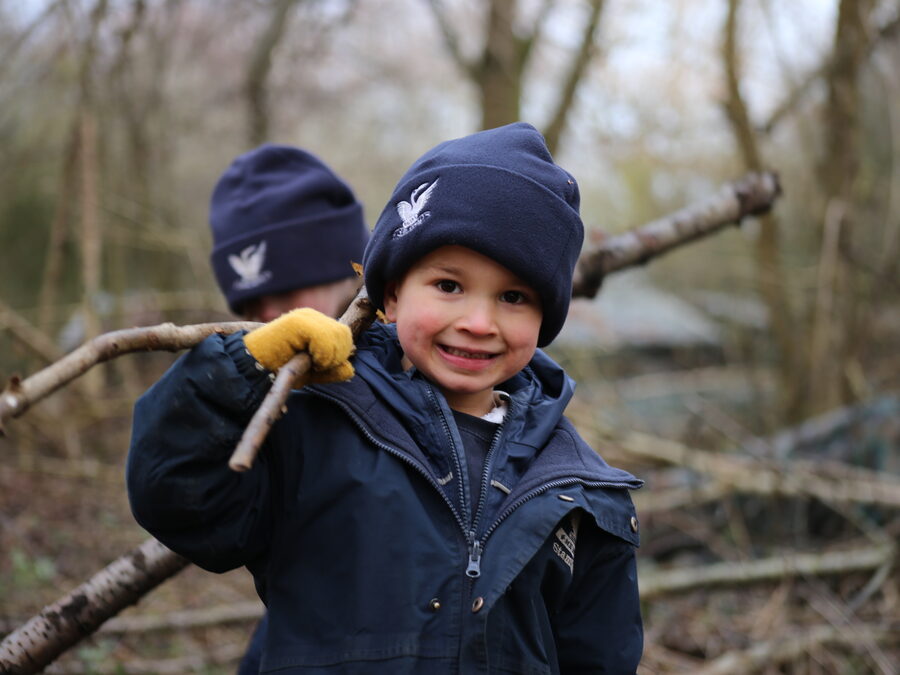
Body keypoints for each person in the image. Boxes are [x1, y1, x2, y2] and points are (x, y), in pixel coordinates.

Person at [128, 122, 644, 673]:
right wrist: (243, 366)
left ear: (546, 319)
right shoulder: (318, 425)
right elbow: (176, 494)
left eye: (514, 296)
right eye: (449, 285)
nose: (477, 321)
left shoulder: (582, 491)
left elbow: (599, 656)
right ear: (391, 295)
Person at [208, 143, 370, 674]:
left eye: (285, 289)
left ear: (340, 267)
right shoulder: (261, 398)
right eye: (250, 303)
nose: (267, 318)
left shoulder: (435, 366)